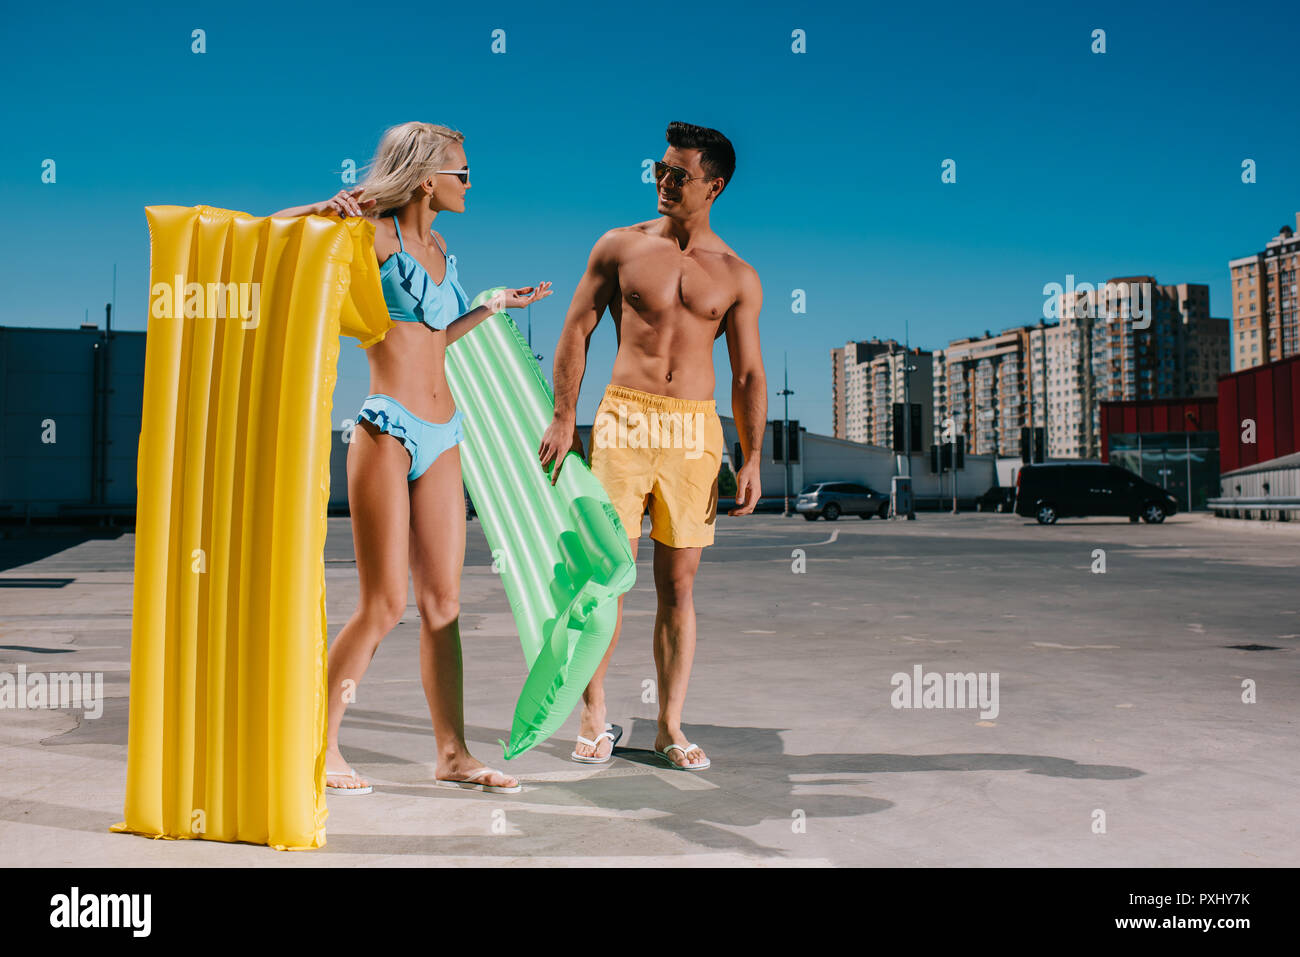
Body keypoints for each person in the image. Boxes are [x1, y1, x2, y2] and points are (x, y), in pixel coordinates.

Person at [274, 122, 552, 794]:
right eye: (462, 173)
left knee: (443, 602)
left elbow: (438, 337)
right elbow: (269, 232)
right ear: (427, 178)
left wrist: (492, 305)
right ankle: (318, 743)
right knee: (383, 601)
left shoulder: (442, 247)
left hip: (444, 429)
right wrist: (320, 207)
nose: (468, 183)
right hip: (387, 426)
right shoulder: (374, 233)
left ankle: (452, 752)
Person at [537, 121, 766, 771]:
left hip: (696, 430)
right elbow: (576, 329)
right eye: (658, 170)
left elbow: (749, 372)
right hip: (624, 420)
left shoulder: (738, 275)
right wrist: (563, 416)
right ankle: (592, 714)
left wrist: (751, 456)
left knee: (678, 585)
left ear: (714, 186)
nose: (664, 182)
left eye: (680, 175)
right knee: (604, 575)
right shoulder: (620, 246)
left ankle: (668, 724)